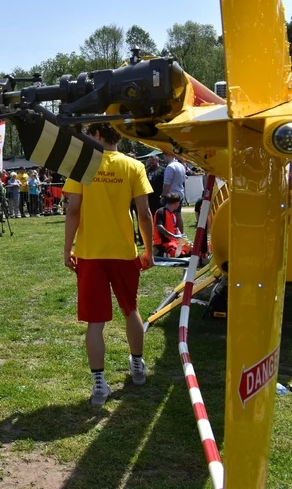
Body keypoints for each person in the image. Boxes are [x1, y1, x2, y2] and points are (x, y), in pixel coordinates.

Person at [62, 122, 154, 407]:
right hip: (124, 253)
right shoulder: (133, 166)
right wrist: (149, 249)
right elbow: (145, 213)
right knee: (131, 310)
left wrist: (68, 249)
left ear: (98, 135)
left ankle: (99, 383)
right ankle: (137, 366)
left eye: (90, 134)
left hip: (91, 253)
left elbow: (73, 210)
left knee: (95, 322)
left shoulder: (82, 165)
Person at [153, 193, 191, 257]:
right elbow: (159, 226)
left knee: (190, 250)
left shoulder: (173, 215)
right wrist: (173, 236)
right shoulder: (161, 212)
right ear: (175, 203)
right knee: (178, 254)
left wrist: (180, 236)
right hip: (162, 242)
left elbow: (175, 229)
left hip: (172, 242)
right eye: (179, 203)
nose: (179, 205)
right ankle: (158, 252)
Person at [161, 153, 186, 233]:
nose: (164, 157)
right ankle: (181, 234)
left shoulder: (170, 167)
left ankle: (173, 234)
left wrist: (163, 195)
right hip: (180, 193)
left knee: (170, 216)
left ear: (168, 155)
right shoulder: (181, 165)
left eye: (164, 155)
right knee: (178, 215)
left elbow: (167, 184)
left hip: (172, 195)